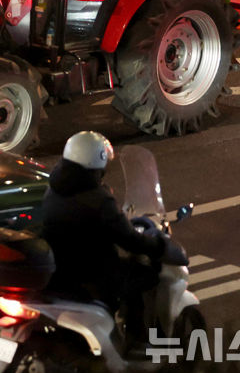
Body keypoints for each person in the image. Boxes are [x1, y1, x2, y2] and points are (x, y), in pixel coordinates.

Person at [41, 131, 165, 349]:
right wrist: (156, 245)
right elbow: (128, 240)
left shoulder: (54, 187)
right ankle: (138, 339)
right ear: (97, 161)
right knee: (145, 276)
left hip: (59, 268)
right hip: (92, 270)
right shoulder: (98, 198)